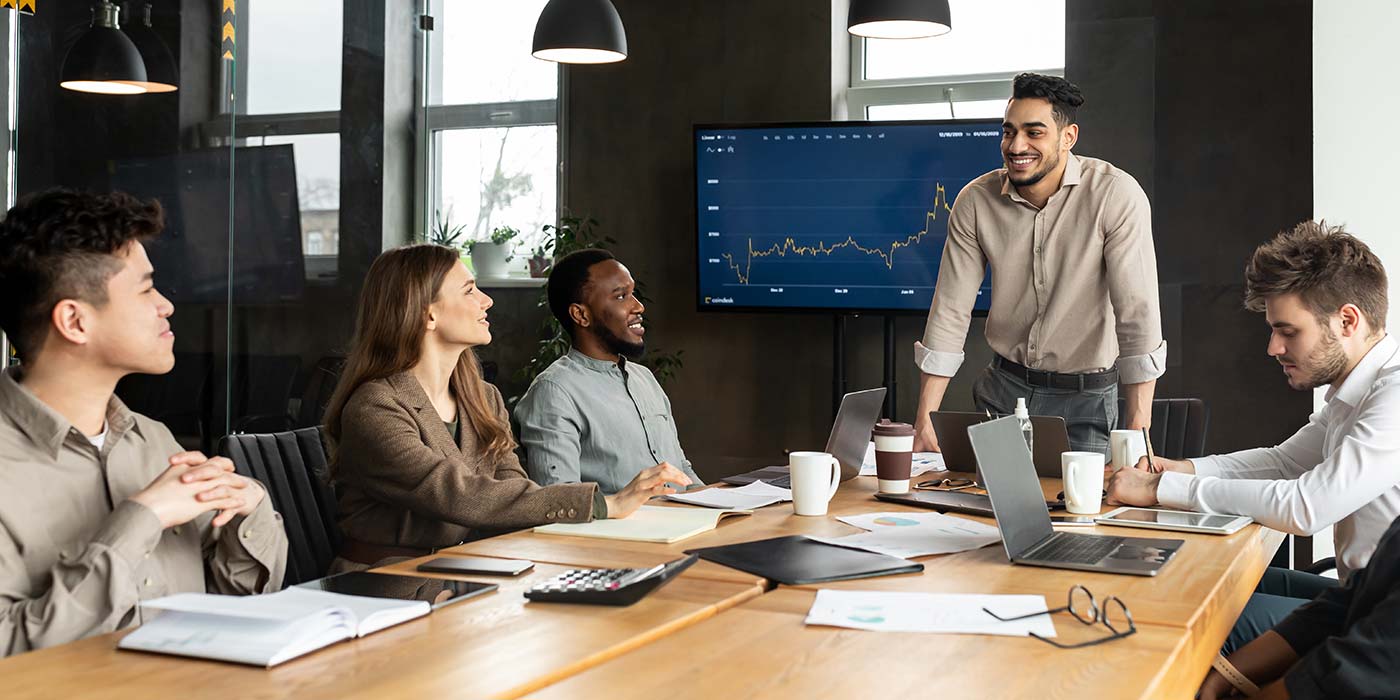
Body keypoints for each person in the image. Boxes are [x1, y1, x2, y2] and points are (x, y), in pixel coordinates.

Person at [0, 188, 288, 656]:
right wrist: (141, 520)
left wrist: (247, 512)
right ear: (75, 322)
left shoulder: (154, 441)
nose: (166, 305)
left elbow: (233, 609)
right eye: (146, 288)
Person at [1107, 221, 1400, 653]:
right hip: (1357, 598)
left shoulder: (1392, 398)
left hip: (1382, 629)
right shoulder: (1352, 392)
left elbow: (1306, 507)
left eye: (1288, 331)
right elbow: (1282, 462)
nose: (1273, 348)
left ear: (1347, 321)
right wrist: (1181, 469)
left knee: (1182, 617)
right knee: (1196, 578)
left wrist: (1160, 489)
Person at [322, 244, 690, 571]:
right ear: (427, 314)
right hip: (387, 585)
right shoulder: (374, 406)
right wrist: (604, 504)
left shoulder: (482, 398)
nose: (487, 300)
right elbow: (457, 493)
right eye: (469, 290)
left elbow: (512, 489)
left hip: (469, 569)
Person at [913, 73, 1165, 456]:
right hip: (1003, 391)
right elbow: (950, 310)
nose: (1017, 145)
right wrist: (925, 419)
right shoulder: (975, 202)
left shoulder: (1116, 196)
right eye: (1009, 131)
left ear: (1068, 137)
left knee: (1080, 514)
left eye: (1034, 133)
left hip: (1087, 400)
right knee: (984, 510)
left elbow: (1137, 315)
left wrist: (1137, 434)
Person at [515, 249, 701, 494]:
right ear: (581, 315)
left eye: (633, 293)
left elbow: (682, 471)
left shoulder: (644, 378)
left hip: (686, 528)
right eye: (621, 296)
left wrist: (722, 509)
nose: (639, 306)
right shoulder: (554, 392)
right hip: (623, 532)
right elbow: (558, 500)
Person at [1198, 513, 1400, 699]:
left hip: (1358, 671)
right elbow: (1346, 601)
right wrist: (1224, 675)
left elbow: (1354, 672)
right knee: (1233, 585)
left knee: (1211, 623)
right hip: (1356, 647)